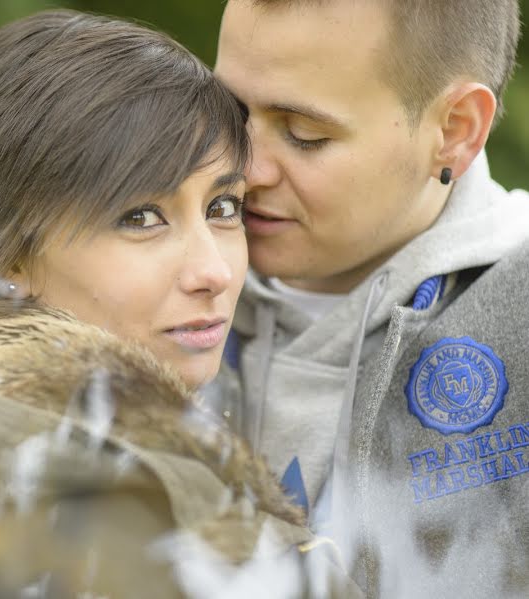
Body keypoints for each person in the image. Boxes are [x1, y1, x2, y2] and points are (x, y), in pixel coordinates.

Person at [0, 10, 352, 599]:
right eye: (141, 218)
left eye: (223, 207)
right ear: (7, 255)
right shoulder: (116, 517)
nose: (214, 272)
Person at [214, 1, 529, 597]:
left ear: (455, 130)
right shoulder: (110, 282)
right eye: (227, 114)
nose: (244, 170)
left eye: (304, 134)